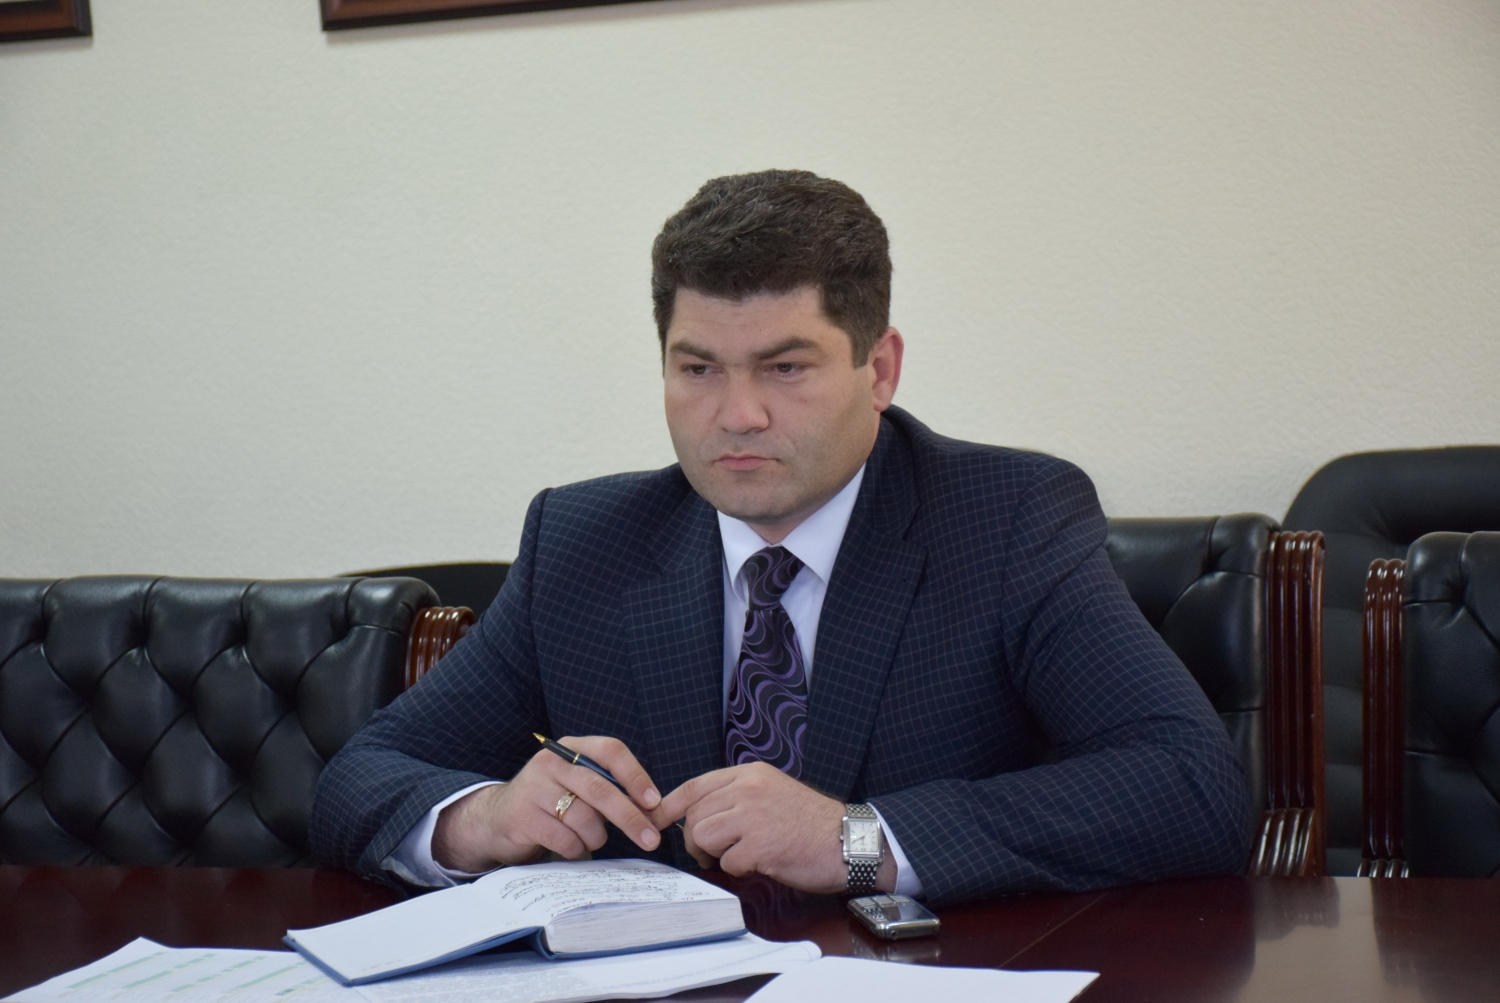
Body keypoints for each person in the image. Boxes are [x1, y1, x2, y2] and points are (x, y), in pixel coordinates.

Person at [310, 169, 1250, 905]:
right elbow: (361, 777)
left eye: (786, 367)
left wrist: (856, 840)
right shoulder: (585, 540)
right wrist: (482, 818)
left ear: (880, 368)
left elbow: (1192, 785)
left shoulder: (1005, 519)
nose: (738, 414)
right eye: (698, 369)